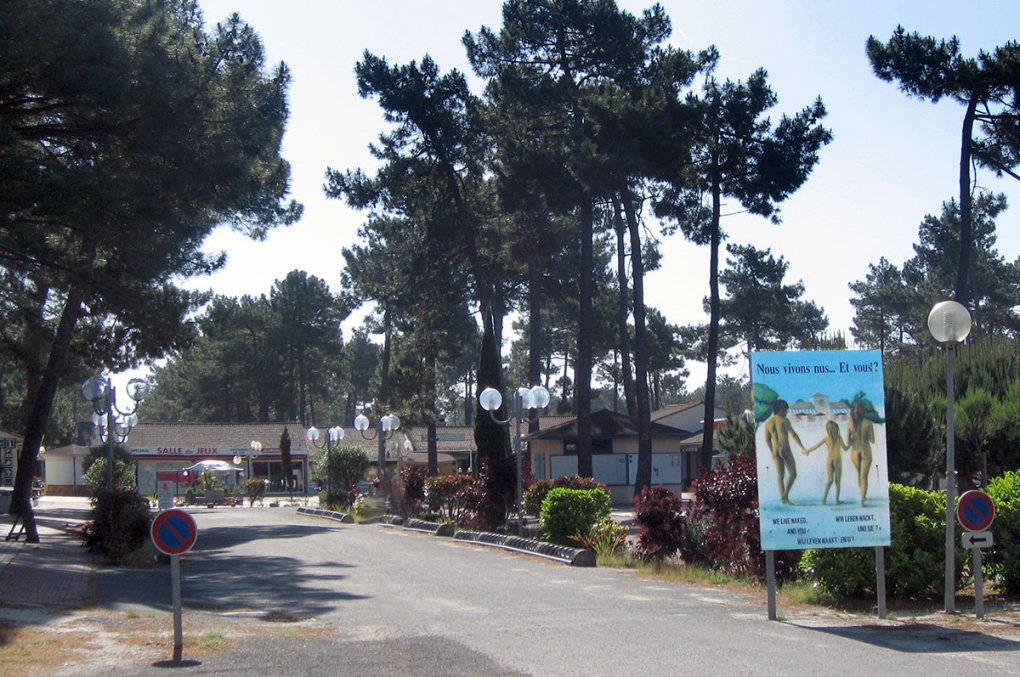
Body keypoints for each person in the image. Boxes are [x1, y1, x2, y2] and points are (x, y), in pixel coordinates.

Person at [764, 399, 806, 505]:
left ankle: (784, 499)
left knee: (780, 476)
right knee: (793, 473)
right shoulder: (784, 420)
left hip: (775, 450)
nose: (786, 412)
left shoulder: (768, 423)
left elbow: (767, 440)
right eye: (785, 410)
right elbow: (793, 435)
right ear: (780, 409)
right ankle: (785, 495)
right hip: (785, 449)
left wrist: (772, 452)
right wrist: (802, 447)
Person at [803, 420, 849, 505]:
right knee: (837, 481)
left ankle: (824, 500)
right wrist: (851, 443)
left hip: (829, 460)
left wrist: (808, 451)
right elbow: (845, 448)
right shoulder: (839, 438)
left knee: (830, 480)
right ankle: (837, 500)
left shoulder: (826, 439)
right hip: (837, 460)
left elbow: (816, 446)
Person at [847, 401, 876, 507]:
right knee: (864, 476)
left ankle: (863, 495)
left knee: (859, 474)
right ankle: (863, 500)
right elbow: (872, 440)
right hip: (865, 450)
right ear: (863, 412)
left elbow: (848, 442)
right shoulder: (868, 423)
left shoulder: (850, 424)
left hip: (854, 451)